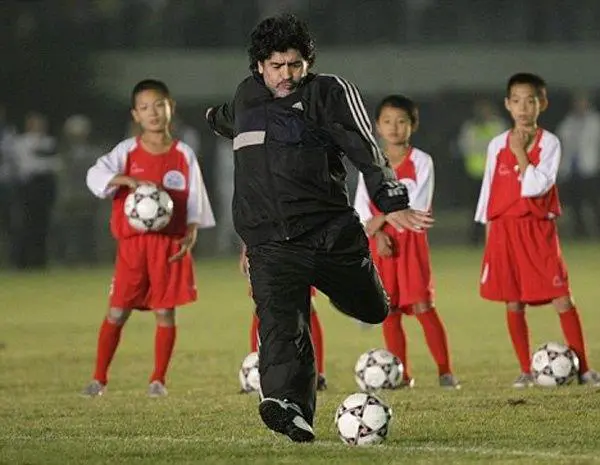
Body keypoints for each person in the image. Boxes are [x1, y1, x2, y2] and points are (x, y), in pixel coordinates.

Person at [206, 14, 433, 442]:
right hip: (270, 244)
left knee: (372, 309)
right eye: (277, 66)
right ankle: (289, 407)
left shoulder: (328, 92)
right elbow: (224, 118)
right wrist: (212, 118)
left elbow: (367, 150)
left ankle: (365, 294)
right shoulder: (245, 97)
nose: (287, 75)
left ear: (307, 62)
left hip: (329, 234)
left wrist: (391, 199)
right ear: (259, 66)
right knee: (280, 323)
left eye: (295, 65)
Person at [83, 79, 215, 397]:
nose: (153, 112)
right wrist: (124, 179)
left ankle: (158, 380)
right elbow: (94, 174)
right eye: (145, 108)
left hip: (168, 244)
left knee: (165, 311)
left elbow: (194, 197)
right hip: (132, 246)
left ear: (171, 108)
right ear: (136, 115)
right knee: (117, 310)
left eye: (159, 105)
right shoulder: (126, 151)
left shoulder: (184, 154)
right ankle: (98, 379)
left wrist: (192, 231)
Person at [475, 73, 599, 388]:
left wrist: (520, 153)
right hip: (504, 231)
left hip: (537, 230)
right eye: (516, 100)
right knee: (513, 302)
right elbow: (489, 190)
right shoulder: (496, 143)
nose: (523, 107)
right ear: (507, 104)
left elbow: (535, 187)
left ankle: (584, 369)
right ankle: (525, 370)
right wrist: (489, 238)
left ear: (541, 104)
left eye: (530, 100)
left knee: (561, 297)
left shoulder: (550, 142)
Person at [354, 95, 459, 389]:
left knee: (424, 307)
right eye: (387, 122)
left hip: (411, 244)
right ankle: (401, 375)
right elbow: (361, 208)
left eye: (401, 122)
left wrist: (382, 221)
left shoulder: (422, 161)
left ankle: (445, 371)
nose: (394, 128)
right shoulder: (371, 164)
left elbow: (418, 208)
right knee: (389, 311)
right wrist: (376, 233)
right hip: (381, 245)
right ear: (377, 126)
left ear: (412, 126)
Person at [239, 243, 327, 391]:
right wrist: (246, 248)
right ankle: (257, 372)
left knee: (304, 303)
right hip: (263, 241)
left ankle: (317, 374)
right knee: (261, 303)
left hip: (295, 238)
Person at [457, 99, 508, 245]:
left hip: (496, 174)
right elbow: (464, 146)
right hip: (475, 173)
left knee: (497, 207)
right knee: (475, 208)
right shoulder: (470, 128)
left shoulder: (499, 125)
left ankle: (496, 237)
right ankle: (475, 238)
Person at [556, 92, 600, 238]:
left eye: (582, 103)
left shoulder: (595, 122)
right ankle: (578, 233)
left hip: (589, 168)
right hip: (571, 170)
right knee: (574, 205)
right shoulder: (567, 123)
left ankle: (595, 232)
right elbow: (561, 144)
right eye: (577, 103)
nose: (580, 106)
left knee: (593, 203)